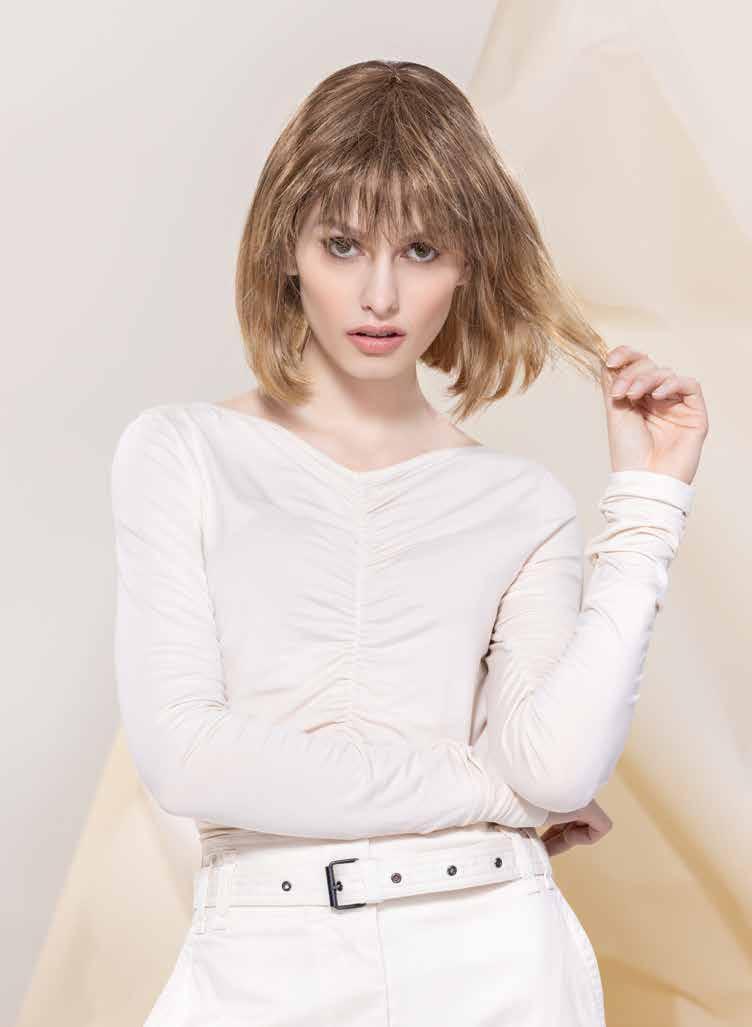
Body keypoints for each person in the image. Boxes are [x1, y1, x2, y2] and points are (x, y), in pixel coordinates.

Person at [110, 60, 708, 1026]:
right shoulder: (183, 453)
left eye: (421, 249)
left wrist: (648, 500)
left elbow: (557, 770)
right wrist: (488, 785)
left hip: (496, 955)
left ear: (470, 262)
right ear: (287, 247)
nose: (379, 294)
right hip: (263, 963)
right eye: (343, 244)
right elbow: (187, 755)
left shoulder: (521, 502)